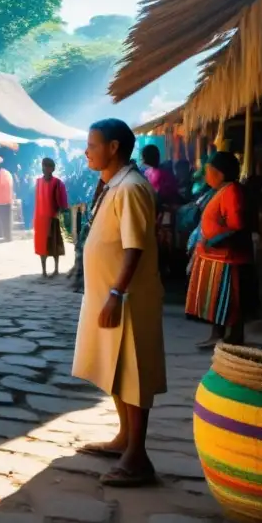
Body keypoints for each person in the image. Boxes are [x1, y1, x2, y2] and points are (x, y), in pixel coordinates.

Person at [72, 119, 166, 488]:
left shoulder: (131, 188)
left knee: (133, 373)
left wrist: (116, 292)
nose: (86, 151)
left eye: (92, 144)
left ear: (113, 148)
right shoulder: (114, 185)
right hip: (109, 295)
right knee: (115, 369)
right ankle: (124, 437)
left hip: (127, 299)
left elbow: (134, 247)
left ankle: (137, 457)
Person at [185, 151, 257, 347]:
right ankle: (218, 335)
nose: (206, 176)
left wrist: (215, 240)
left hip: (228, 258)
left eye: (209, 171)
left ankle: (232, 338)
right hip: (215, 257)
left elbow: (237, 224)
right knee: (218, 302)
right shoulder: (220, 190)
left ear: (220, 173)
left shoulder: (232, 191)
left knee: (231, 302)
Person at [33, 157, 68, 277]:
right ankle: (43, 270)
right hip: (40, 218)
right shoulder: (38, 182)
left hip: (53, 218)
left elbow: (63, 202)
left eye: (47, 166)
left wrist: (61, 213)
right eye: (43, 166)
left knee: (54, 243)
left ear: (52, 169)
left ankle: (56, 269)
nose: (45, 168)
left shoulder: (58, 183)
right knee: (42, 244)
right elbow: (37, 201)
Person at [0, 156, 14, 241]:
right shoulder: (8, 174)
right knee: (8, 219)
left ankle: (5, 236)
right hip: (8, 201)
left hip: (0, 202)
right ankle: (9, 237)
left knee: (3, 219)